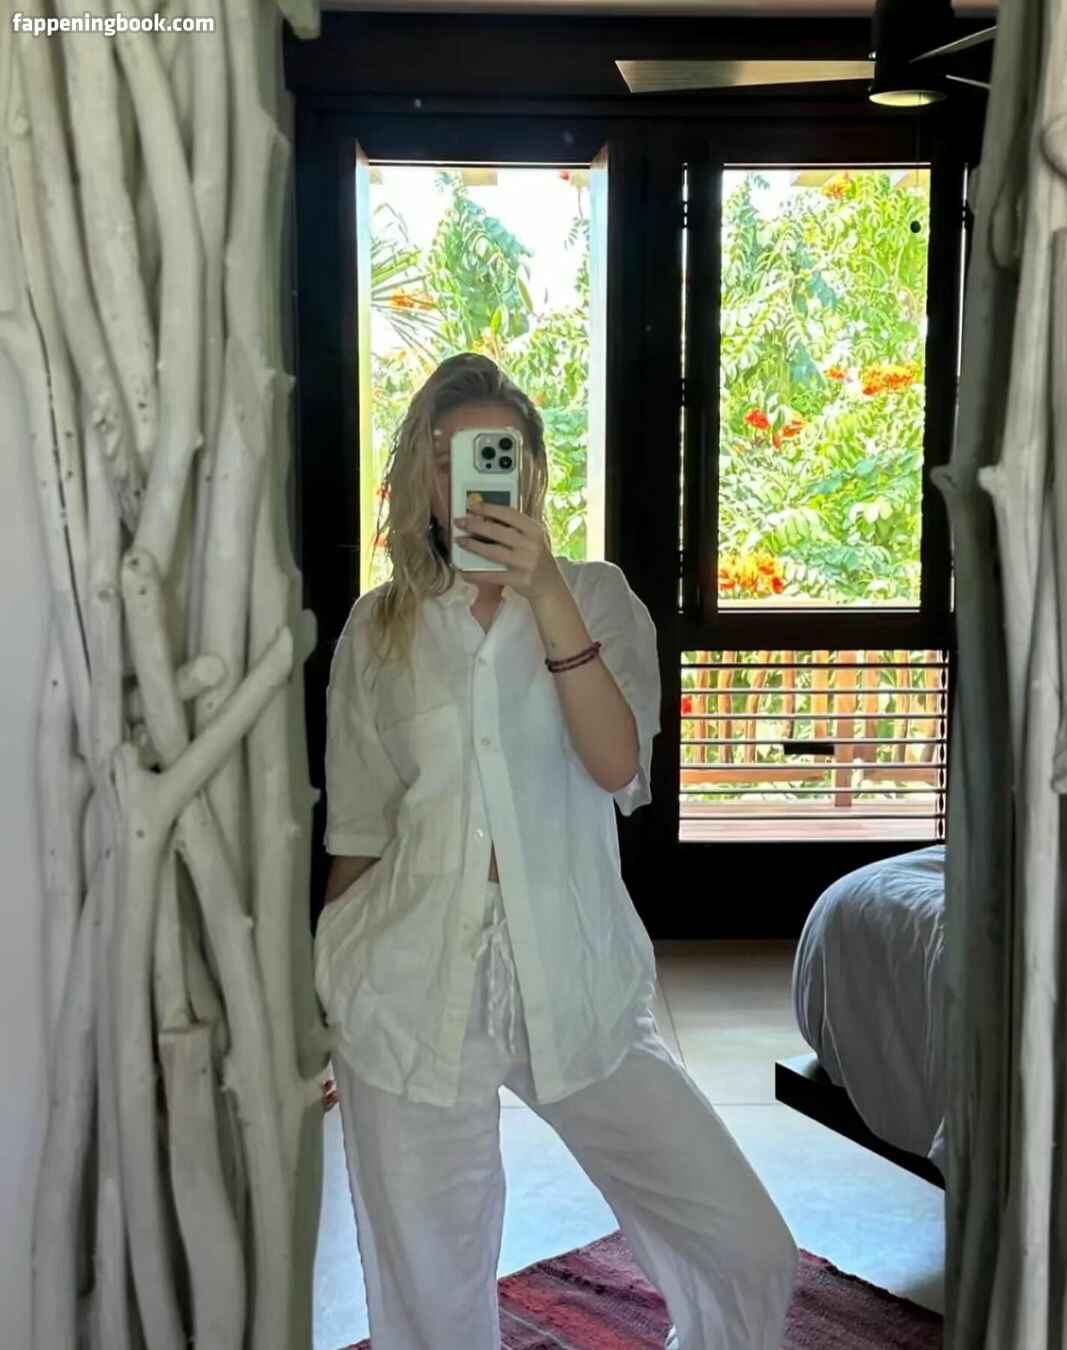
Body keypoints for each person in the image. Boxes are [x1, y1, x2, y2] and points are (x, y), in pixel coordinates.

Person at [314, 353, 798, 1350]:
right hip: (406, 988)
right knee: (431, 1307)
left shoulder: (598, 598)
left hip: (576, 977)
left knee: (747, 1248)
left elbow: (617, 766)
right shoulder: (379, 629)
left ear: (530, 466)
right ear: (422, 481)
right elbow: (357, 834)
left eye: (494, 453)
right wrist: (328, 1001)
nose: (469, 481)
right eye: (445, 460)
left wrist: (544, 596)